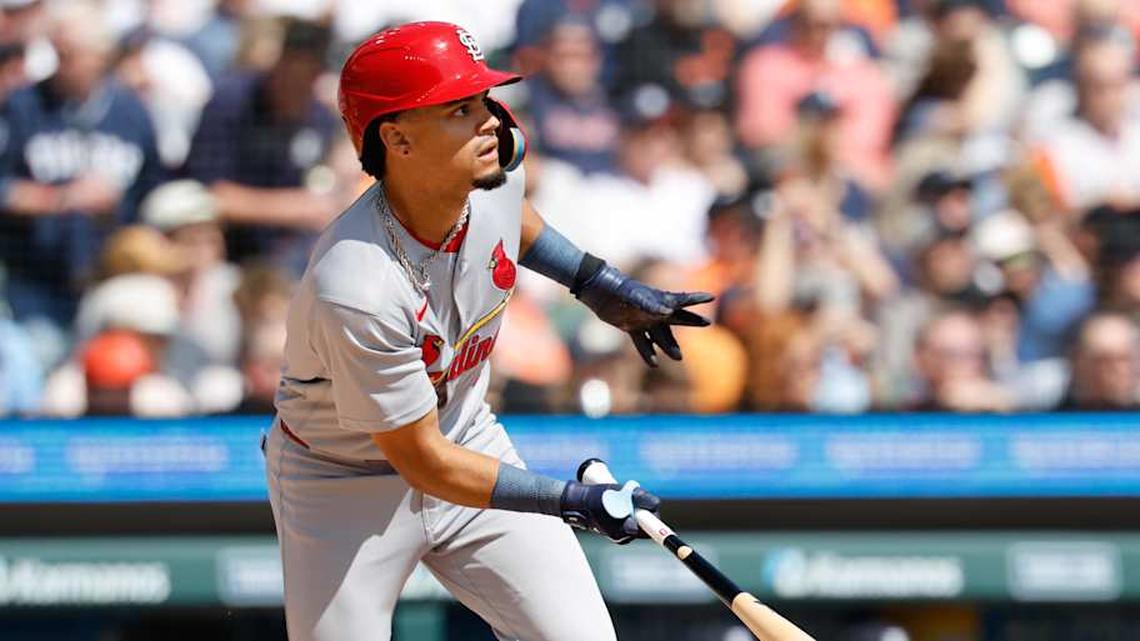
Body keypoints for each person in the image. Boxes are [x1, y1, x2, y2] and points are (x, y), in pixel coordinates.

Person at [265, 22, 712, 641]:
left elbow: (513, 217)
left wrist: (593, 281)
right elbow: (424, 462)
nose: (489, 123)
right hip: (342, 481)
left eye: (483, 101)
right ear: (396, 138)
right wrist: (569, 501)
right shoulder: (356, 285)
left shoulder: (490, 170)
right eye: (459, 109)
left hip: (467, 435)